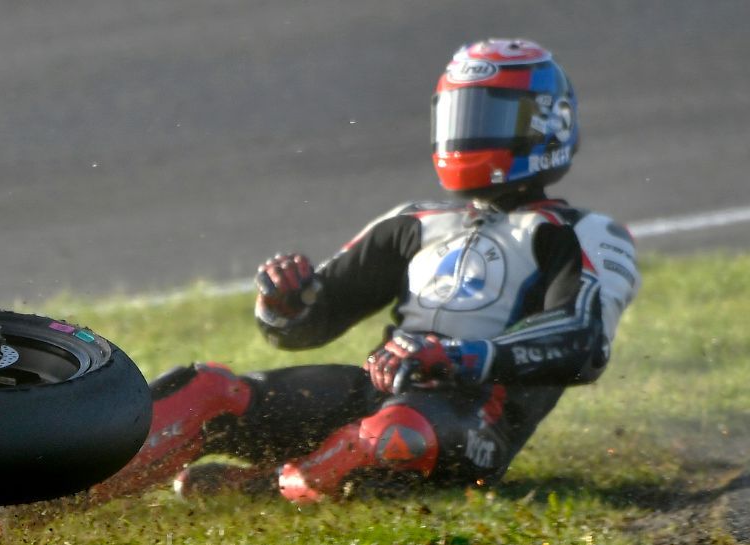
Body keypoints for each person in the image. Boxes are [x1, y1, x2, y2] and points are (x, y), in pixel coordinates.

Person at [92, 38, 639, 503]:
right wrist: (285, 304)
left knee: (394, 436)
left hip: (468, 419)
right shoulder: (414, 222)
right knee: (207, 389)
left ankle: (258, 491)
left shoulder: (586, 234)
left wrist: (456, 357)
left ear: (545, 125)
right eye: (459, 117)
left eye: (488, 118)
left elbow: (582, 342)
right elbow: (307, 325)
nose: (467, 135)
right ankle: (59, 497)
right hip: (375, 390)